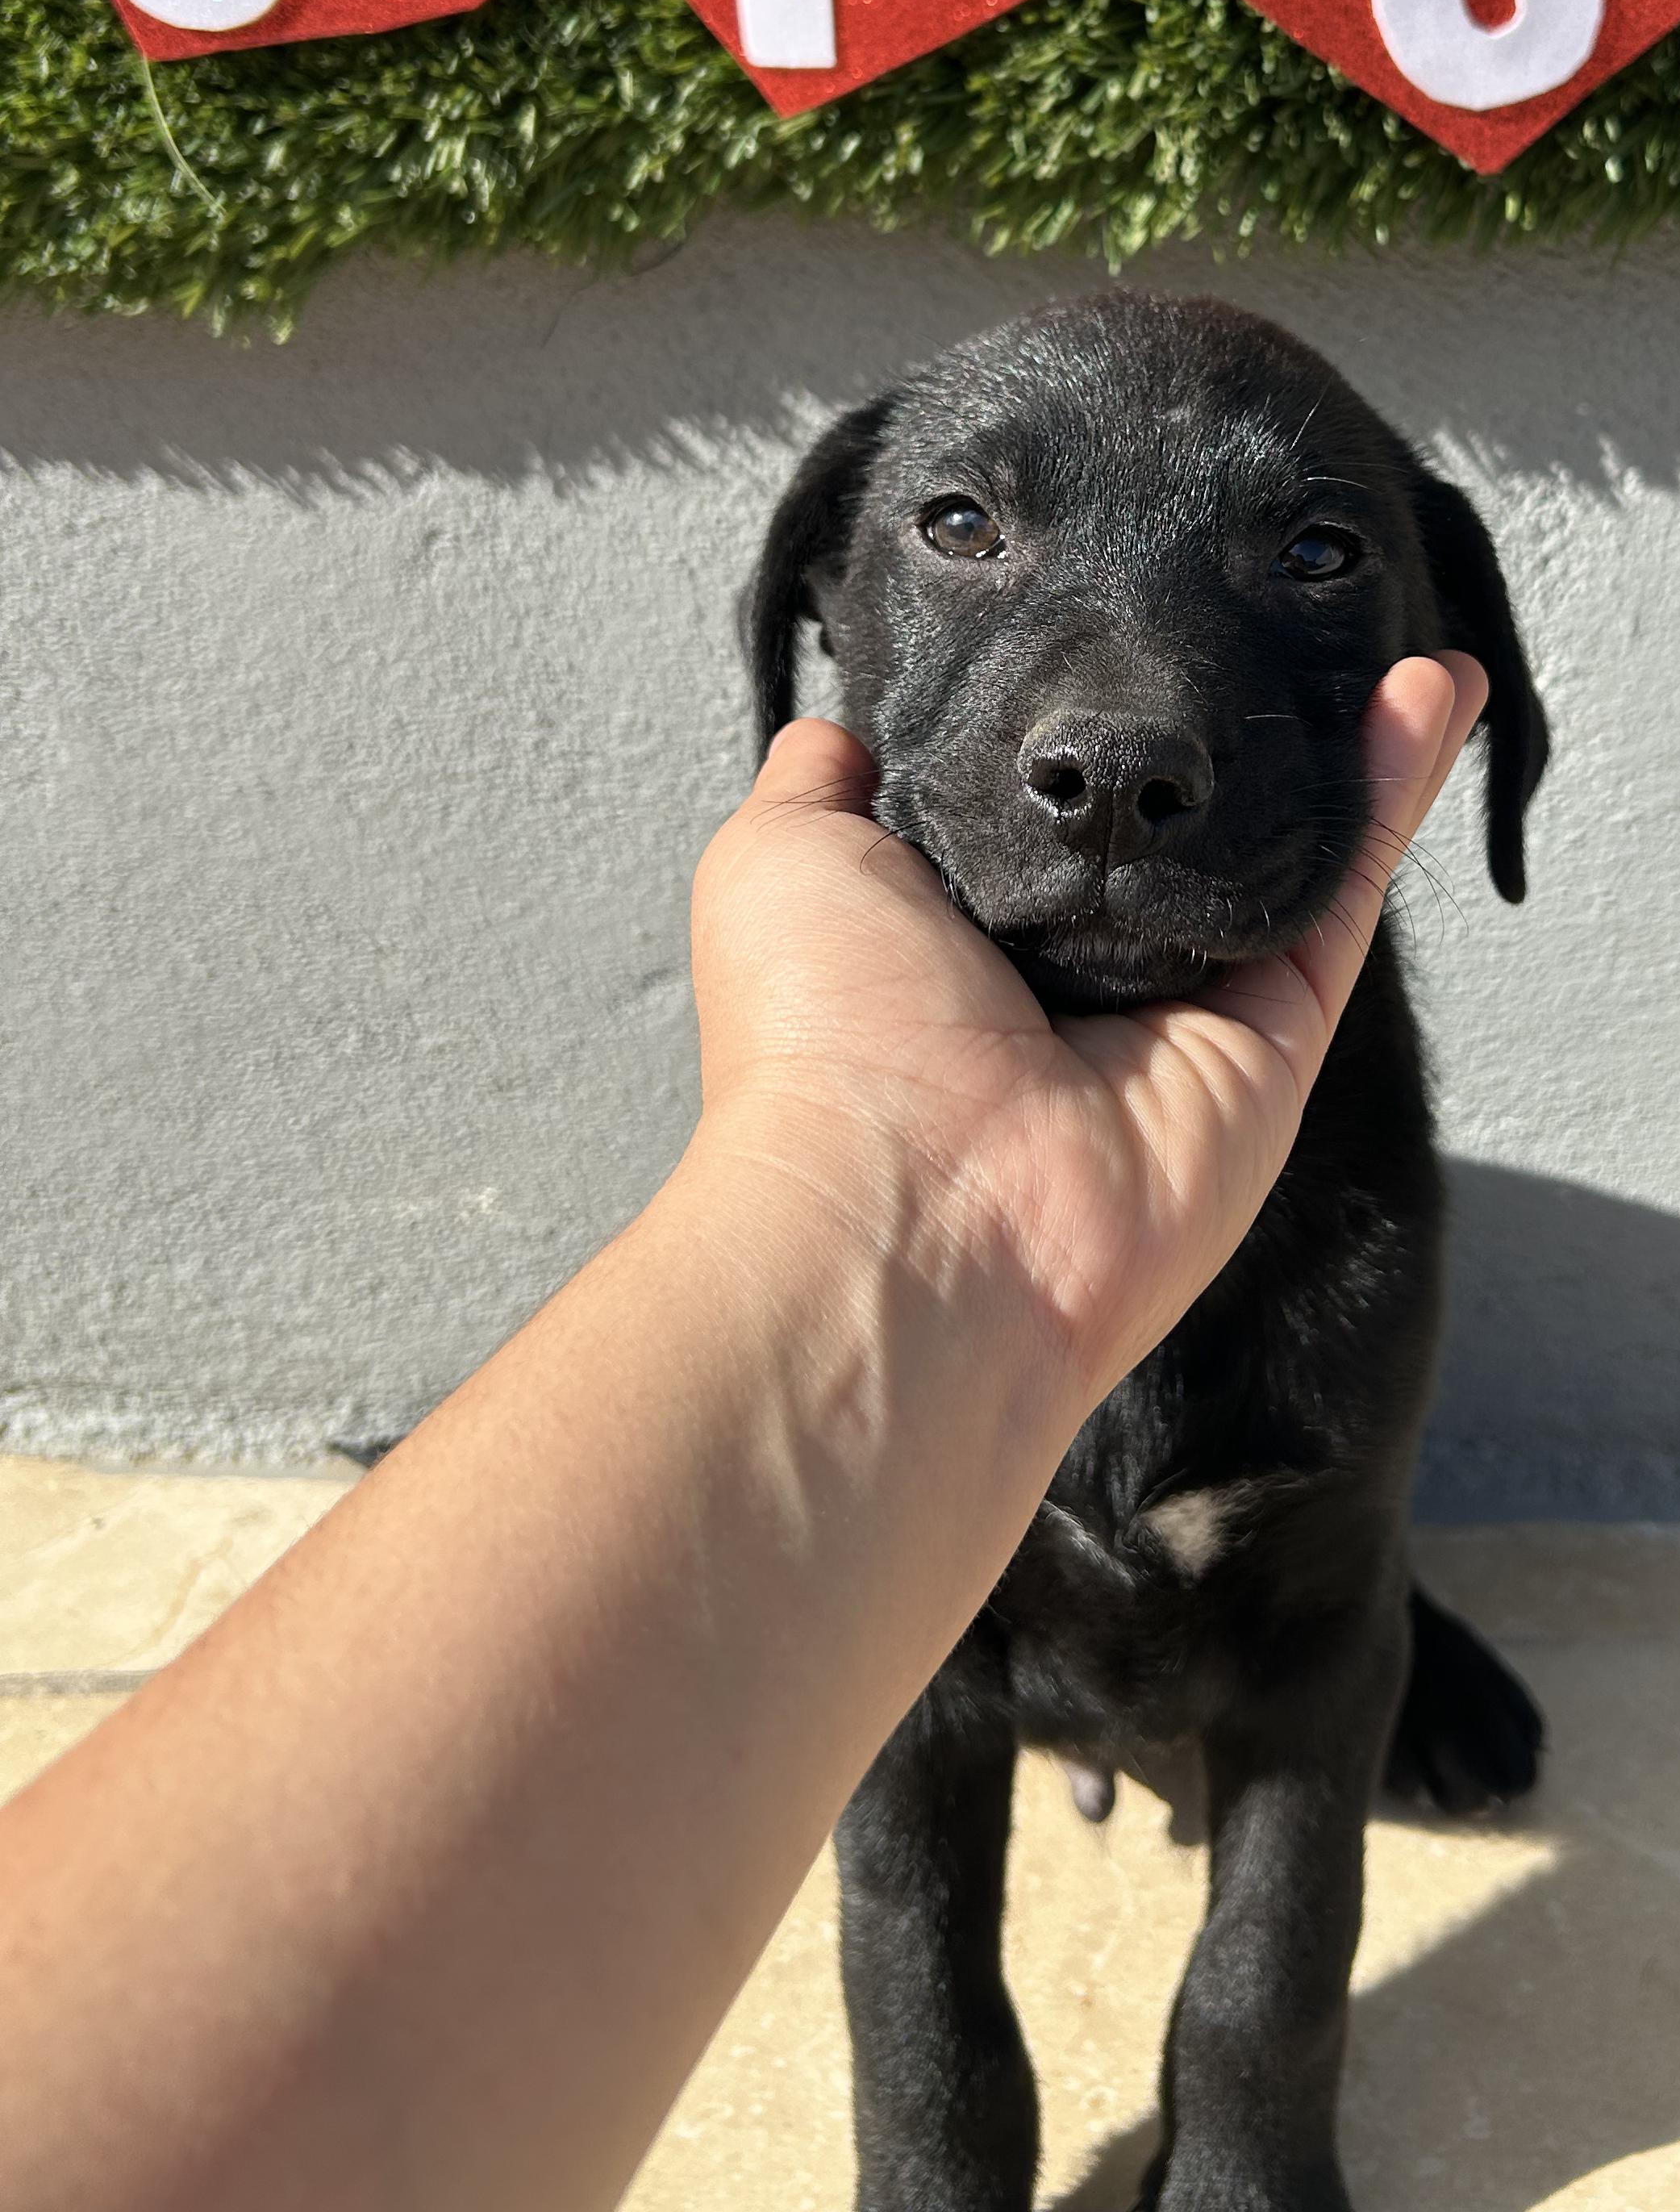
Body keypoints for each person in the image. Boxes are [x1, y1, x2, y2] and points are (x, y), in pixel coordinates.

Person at [0, 653, 1486, 2212]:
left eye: (1317, 552)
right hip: (965, 1635)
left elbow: (1322, 1620)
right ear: (820, 639)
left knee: (1340, 1585)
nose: (1117, 731)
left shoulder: (1361, 1224)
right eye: (963, 525)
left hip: (1271, 1558)